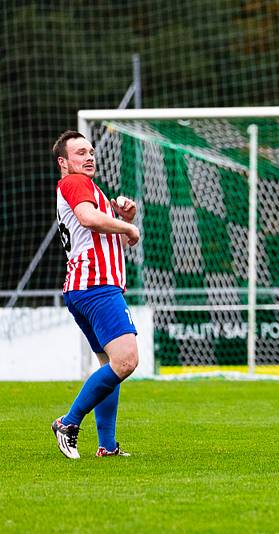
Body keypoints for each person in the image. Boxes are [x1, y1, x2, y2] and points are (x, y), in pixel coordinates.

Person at [50, 130, 141, 459]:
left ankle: (107, 445)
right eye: (79, 153)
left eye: (90, 151)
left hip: (84, 288)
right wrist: (129, 227)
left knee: (110, 364)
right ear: (64, 162)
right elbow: (89, 220)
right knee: (126, 360)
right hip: (96, 286)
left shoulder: (87, 189)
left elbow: (105, 236)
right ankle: (68, 423)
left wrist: (124, 219)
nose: (88, 157)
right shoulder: (76, 183)